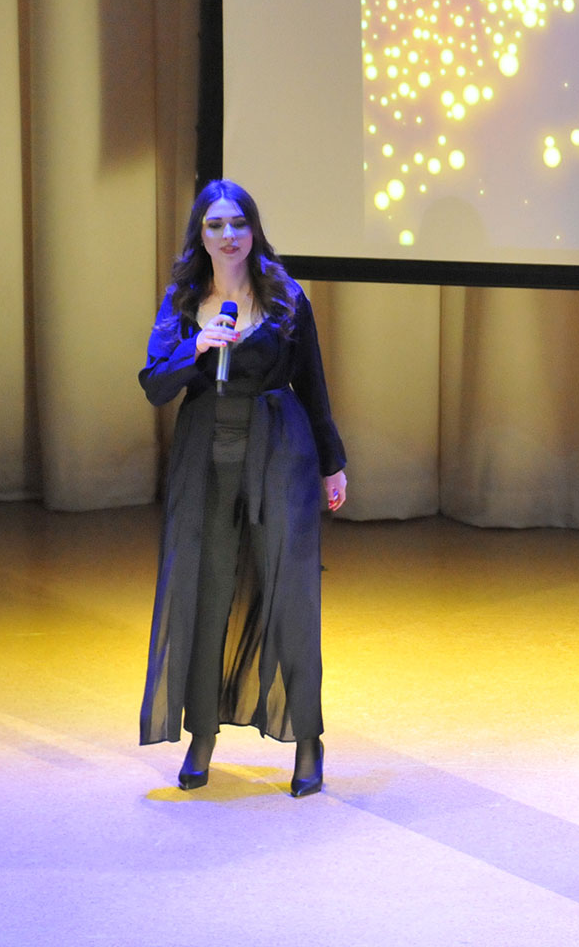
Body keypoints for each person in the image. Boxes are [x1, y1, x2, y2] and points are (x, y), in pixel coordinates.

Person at [138, 180, 347, 798]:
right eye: (215, 225)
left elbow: (314, 385)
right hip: (205, 458)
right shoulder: (182, 301)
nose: (228, 235)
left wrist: (332, 463)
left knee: (291, 596)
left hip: (279, 452)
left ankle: (306, 740)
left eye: (238, 223)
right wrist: (195, 348)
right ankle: (202, 734)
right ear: (200, 236)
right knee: (205, 594)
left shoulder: (285, 296)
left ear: (253, 230)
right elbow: (154, 384)